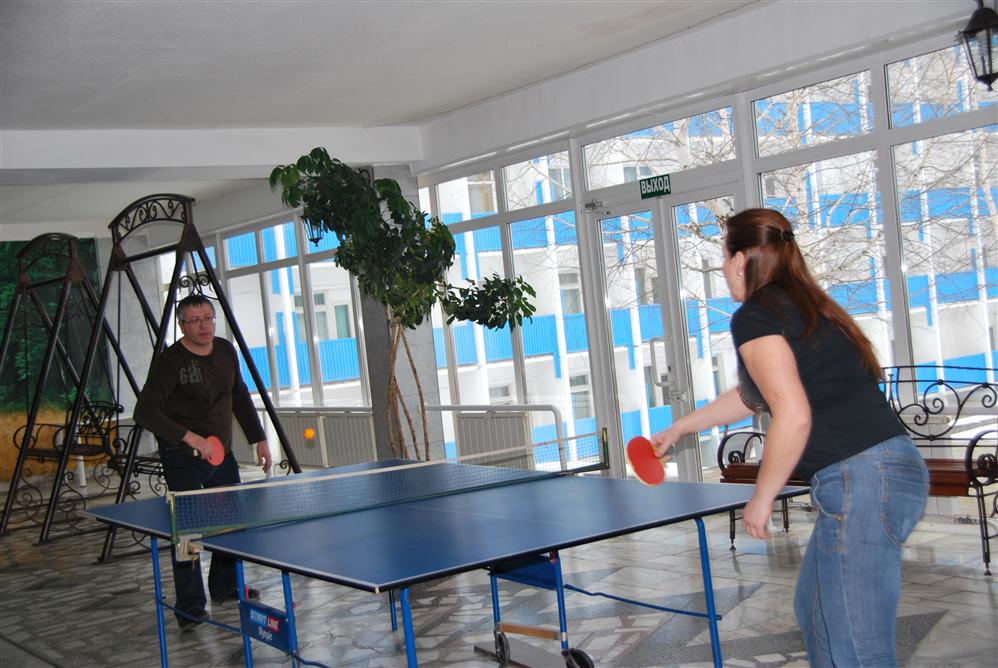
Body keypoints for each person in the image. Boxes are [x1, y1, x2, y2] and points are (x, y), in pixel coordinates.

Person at [651, 208, 928, 666]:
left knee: (857, 642)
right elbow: (754, 395)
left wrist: (763, 496)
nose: (723, 269)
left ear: (740, 260)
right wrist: (680, 427)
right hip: (883, 469)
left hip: (863, 477)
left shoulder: (756, 315)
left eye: (722, 258)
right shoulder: (807, 305)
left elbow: (793, 414)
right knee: (817, 611)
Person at [134, 293, 272, 629]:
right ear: (182, 325)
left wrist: (259, 438)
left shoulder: (225, 350)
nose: (204, 326)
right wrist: (188, 437)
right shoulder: (170, 362)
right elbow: (145, 411)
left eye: (208, 318)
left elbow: (239, 394)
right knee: (188, 534)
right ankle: (190, 606)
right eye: (195, 321)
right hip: (182, 456)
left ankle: (225, 587)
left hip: (221, 454)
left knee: (229, 524)